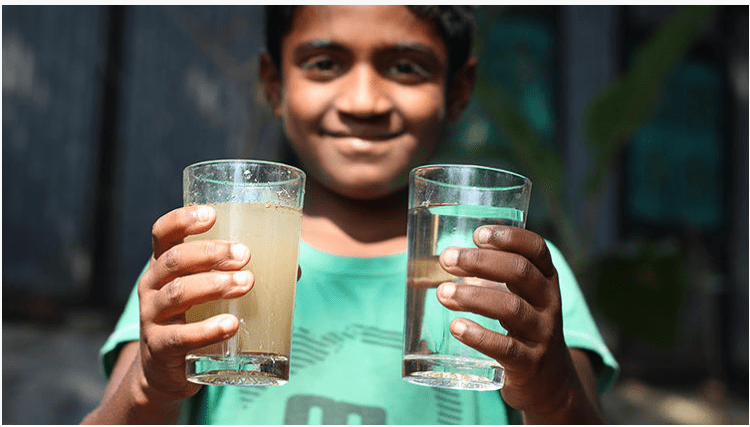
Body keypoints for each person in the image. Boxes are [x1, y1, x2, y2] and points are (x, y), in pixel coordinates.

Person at [83, 5, 618, 424]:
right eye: (325, 64)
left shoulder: (514, 272)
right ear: (274, 83)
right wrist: (149, 387)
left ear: (458, 92)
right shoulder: (205, 256)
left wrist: (554, 398)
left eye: (406, 67)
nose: (363, 100)